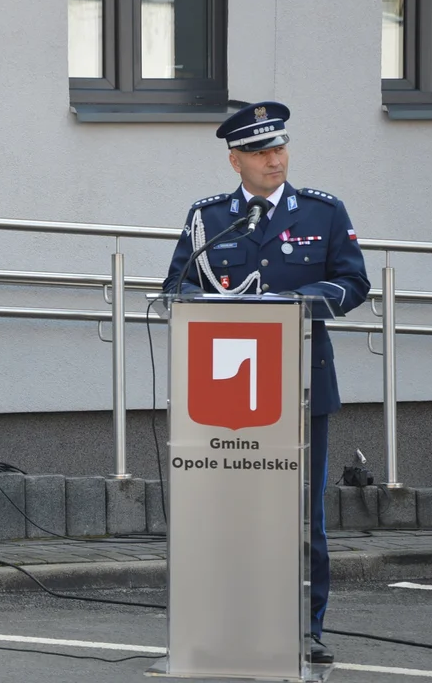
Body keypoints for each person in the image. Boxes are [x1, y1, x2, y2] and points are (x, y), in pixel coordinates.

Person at [162, 102, 370, 665]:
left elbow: (354, 283)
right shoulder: (209, 219)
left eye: (279, 148)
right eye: (260, 152)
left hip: (301, 387)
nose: (274, 160)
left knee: (303, 514)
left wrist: (292, 304)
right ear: (236, 161)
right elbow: (175, 288)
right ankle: (225, 622)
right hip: (223, 397)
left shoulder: (322, 213)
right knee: (225, 511)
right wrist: (202, 304)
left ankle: (306, 629)